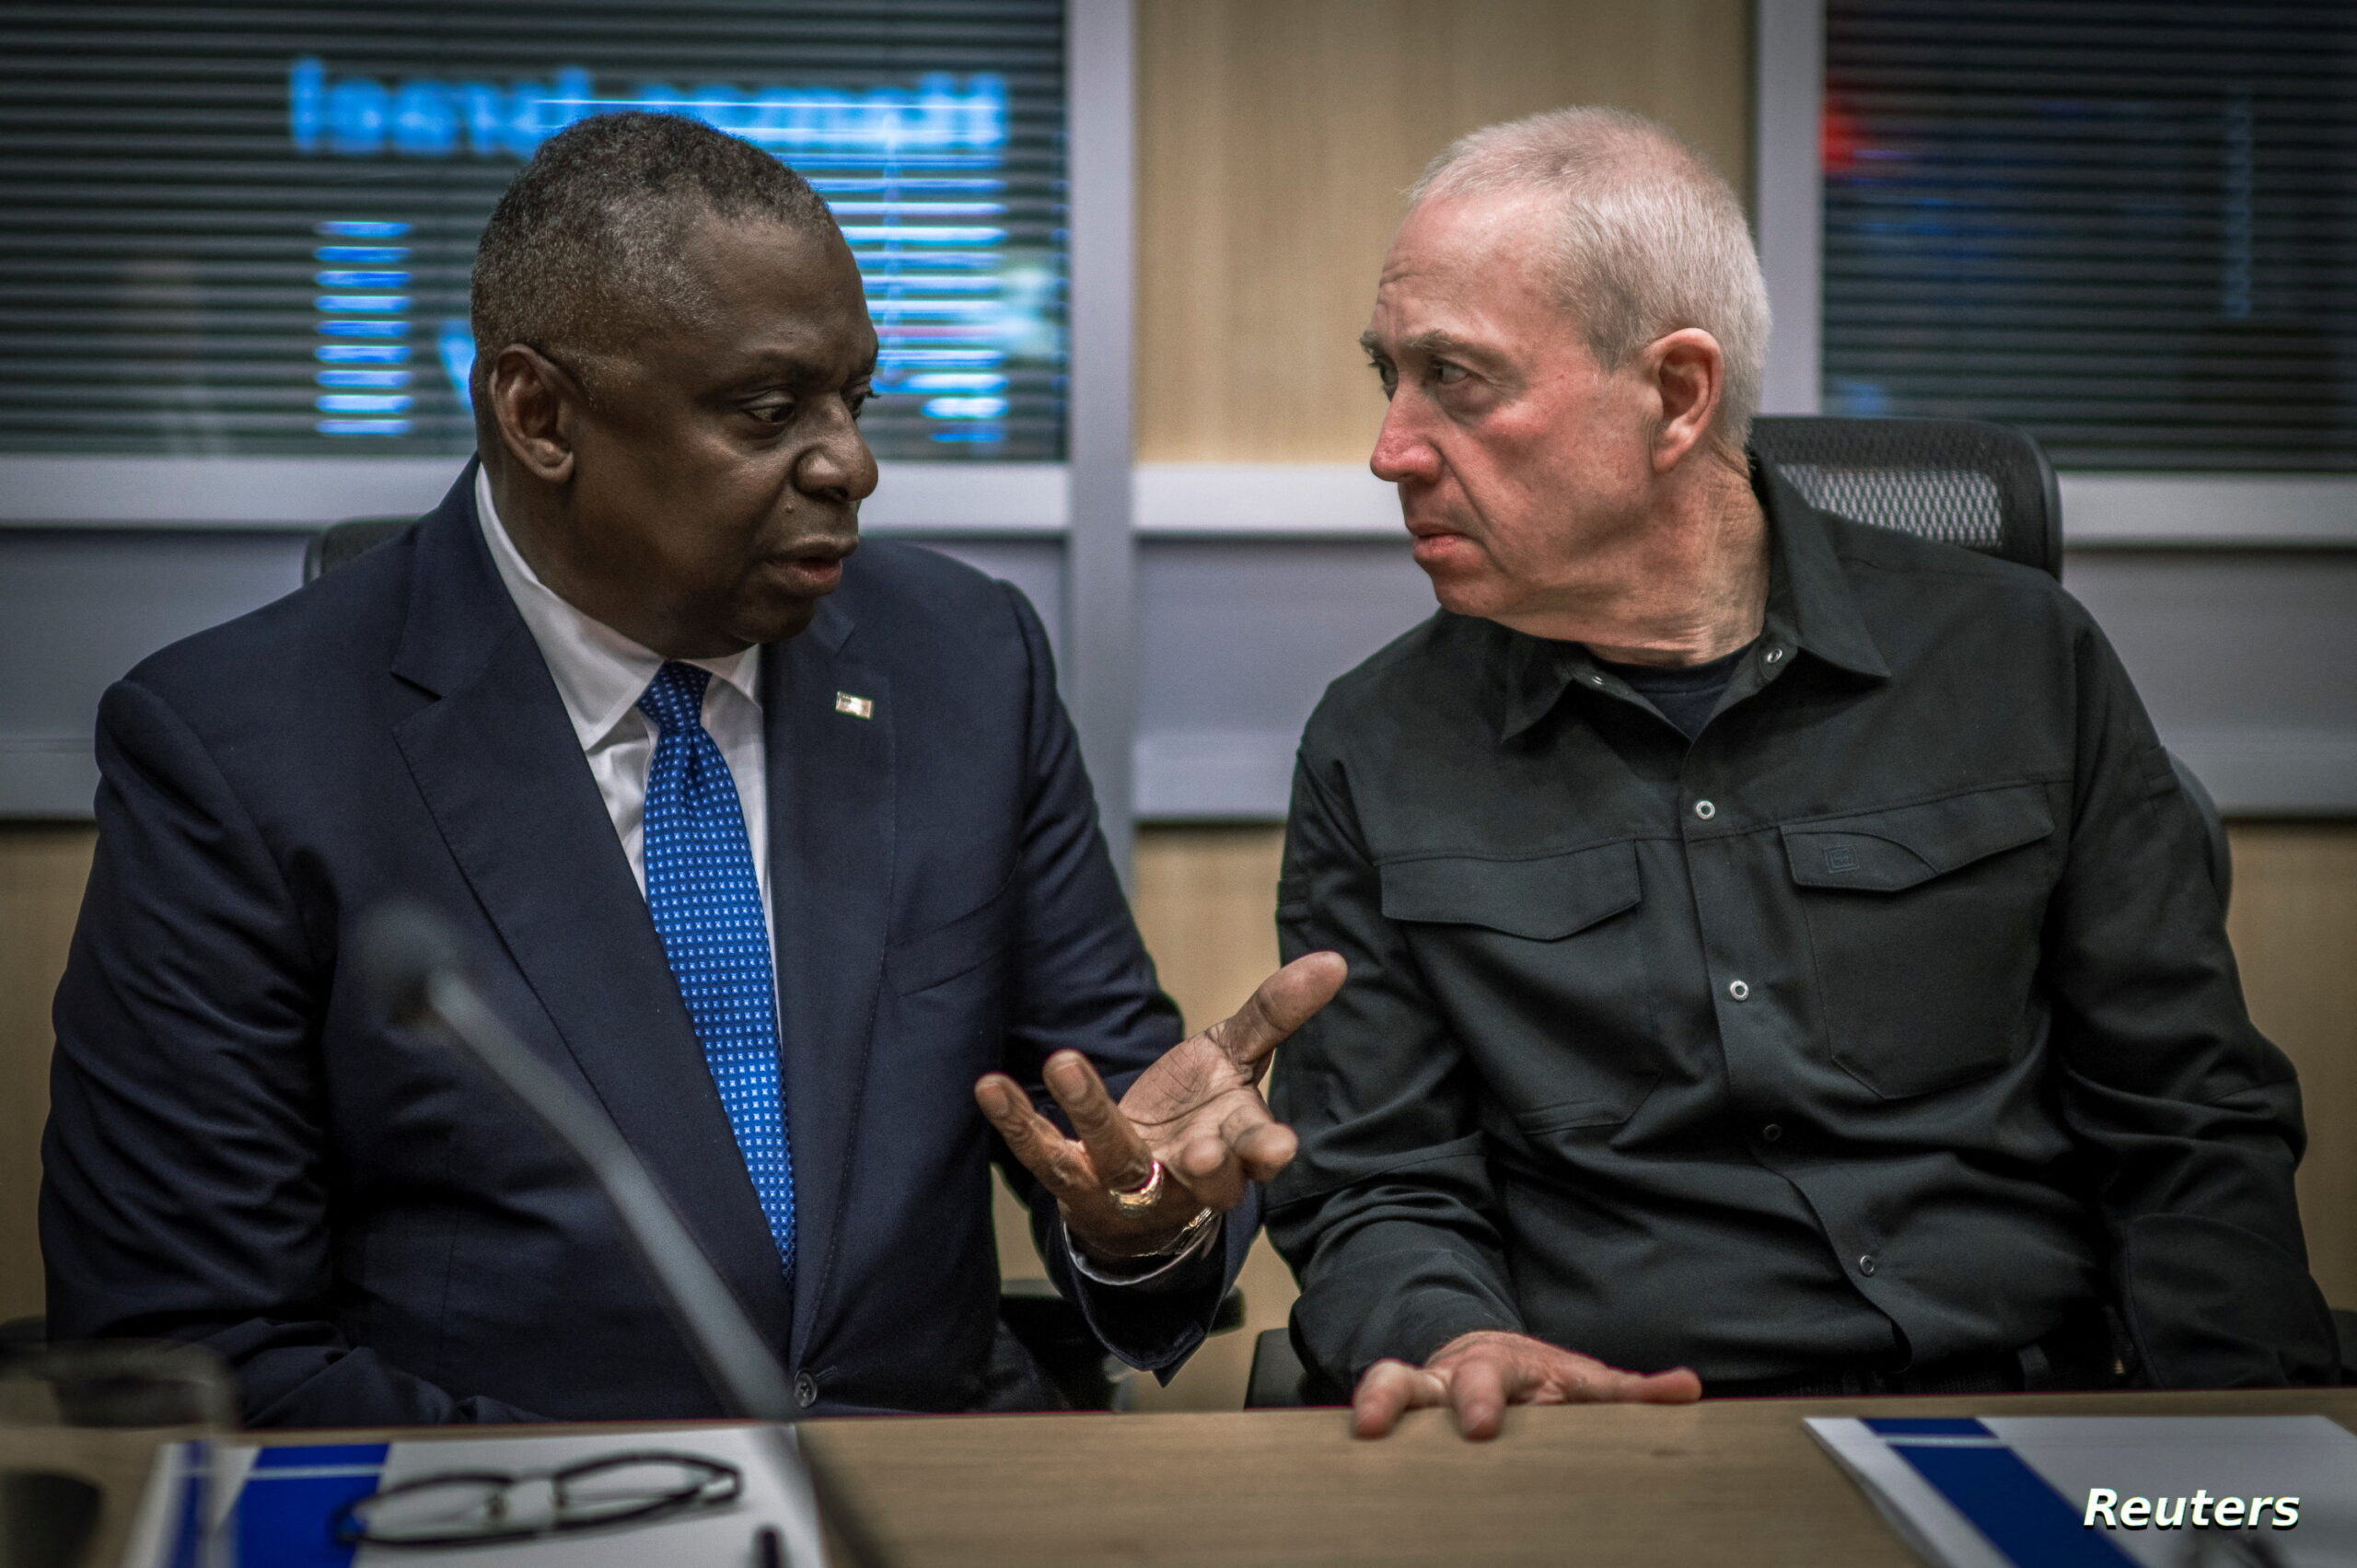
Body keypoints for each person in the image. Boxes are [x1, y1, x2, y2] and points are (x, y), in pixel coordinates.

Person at [41, 111, 1340, 1425]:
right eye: (769, 411)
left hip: (942, 1501)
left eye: (855, 400)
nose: (850, 465)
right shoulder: (241, 746)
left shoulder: (963, 663)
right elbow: (191, 1346)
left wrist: (1141, 1225)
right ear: (540, 414)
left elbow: (1111, 1131)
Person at [1264, 106, 2338, 1441]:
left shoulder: (2018, 662)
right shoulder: (1378, 745)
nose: (1393, 449)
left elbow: (2187, 1120)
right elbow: (1379, 1180)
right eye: (1392, 377)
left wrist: (2239, 1465)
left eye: (1459, 381)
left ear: (1676, 395)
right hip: (1623, 1442)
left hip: (2032, 1410)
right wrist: (1456, 1334)